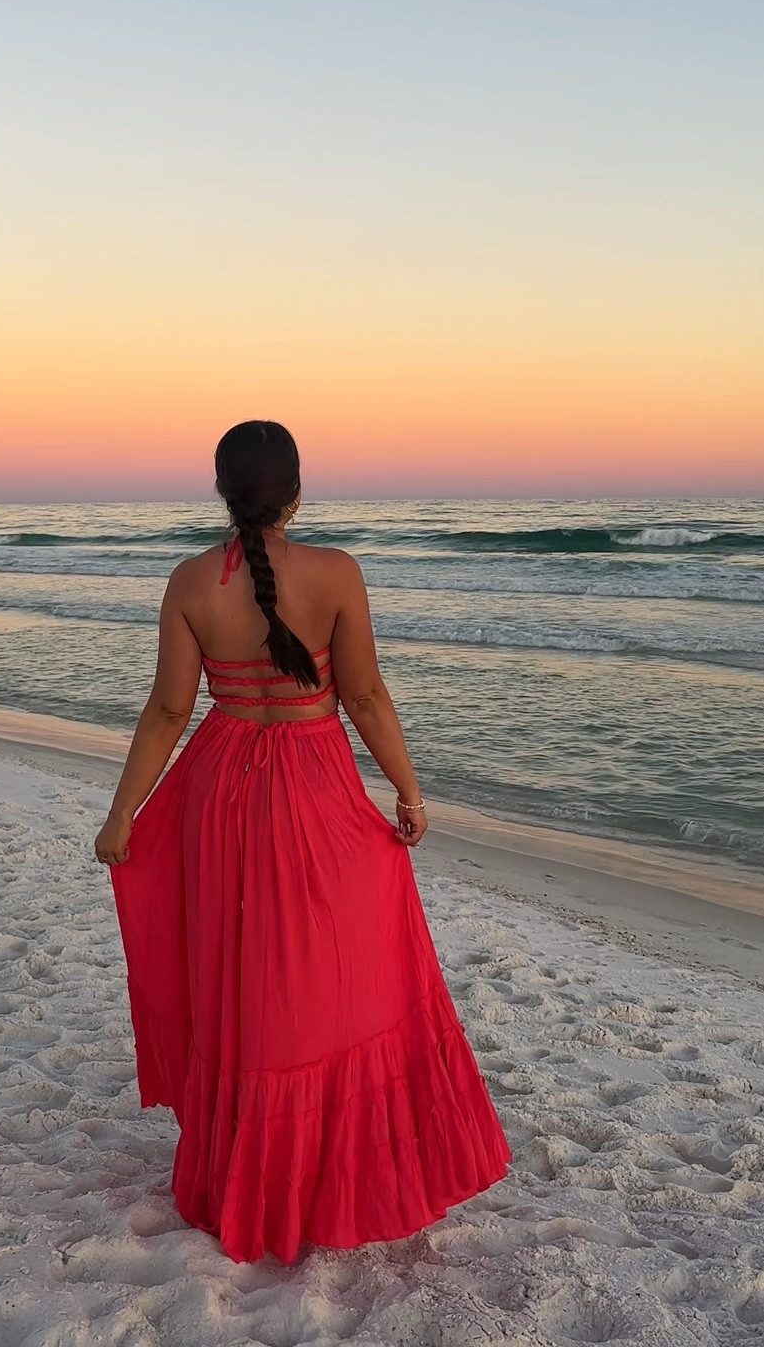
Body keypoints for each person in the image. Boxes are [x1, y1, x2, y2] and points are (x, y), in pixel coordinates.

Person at [95, 420, 511, 1263]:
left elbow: (171, 710)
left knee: (242, 975)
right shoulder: (337, 574)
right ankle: (323, 1170)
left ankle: (244, 1170)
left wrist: (123, 813)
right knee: (329, 973)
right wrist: (408, 789)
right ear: (295, 492)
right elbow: (361, 692)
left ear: (222, 490)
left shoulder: (188, 583)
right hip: (313, 786)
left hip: (222, 789)